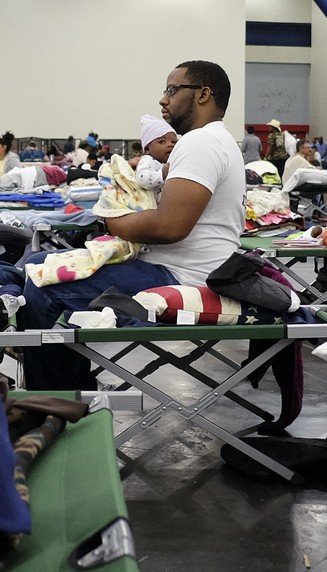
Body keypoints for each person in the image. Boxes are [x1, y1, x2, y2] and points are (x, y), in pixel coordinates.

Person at [20, 59, 246, 390]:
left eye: (172, 89)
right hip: (187, 267)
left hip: (184, 276)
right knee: (38, 263)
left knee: (41, 283)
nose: (163, 99)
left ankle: (55, 402)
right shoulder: (214, 141)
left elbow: (169, 227)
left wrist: (112, 221)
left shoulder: (201, 143)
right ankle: (73, 389)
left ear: (203, 95)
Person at [136, 113, 178, 191]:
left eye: (174, 142)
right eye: (162, 142)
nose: (170, 145)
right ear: (147, 150)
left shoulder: (167, 162)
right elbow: (142, 180)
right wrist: (162, 173)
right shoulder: (147, 161)